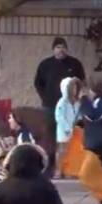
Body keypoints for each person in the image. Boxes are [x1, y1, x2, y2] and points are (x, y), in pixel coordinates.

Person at [33, 37, 86, 174]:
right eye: (57, 47)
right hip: (50, 106)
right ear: (53, 49)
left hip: (70, 107)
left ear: (66, 49)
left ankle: (70, 167)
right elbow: (38, 83)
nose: (60, 50)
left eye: (63, 47)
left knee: (70, 137)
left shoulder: (74, 64)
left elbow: (81, 82)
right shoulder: (45, 64)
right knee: (50, 136)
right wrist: (45, 97)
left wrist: (76, 99)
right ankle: (50, 167)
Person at [55, 77, 84, 179]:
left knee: (73, 151)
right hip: (64, 130)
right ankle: (58, 170)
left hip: (74, 130)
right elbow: (59, 116)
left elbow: (78, 114)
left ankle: (70, 170)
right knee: (62, 151)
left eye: (76, 88)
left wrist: (79, 122)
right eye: (72, 88)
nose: (74, 90)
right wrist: (67, 128)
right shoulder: (62, 102)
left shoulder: (77, 102)